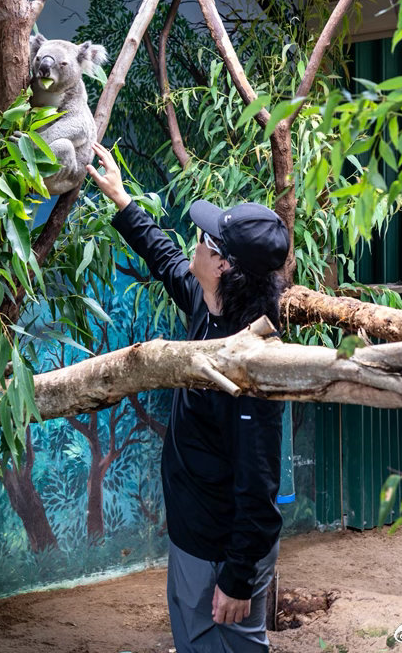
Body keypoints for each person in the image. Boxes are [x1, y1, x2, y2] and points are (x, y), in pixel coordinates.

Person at [86, 141, 290, 653]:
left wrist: (239, 576)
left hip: (223, 548)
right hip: (193, 532)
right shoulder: (210, 306)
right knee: (195, 640)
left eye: (205, 239)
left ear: (223, 265)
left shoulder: (253, 361)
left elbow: (260, 481)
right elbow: (168, 261)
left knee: (232, 643)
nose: (194, 243)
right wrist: (122, 200)